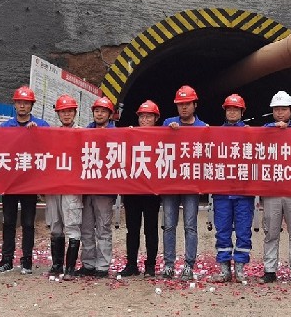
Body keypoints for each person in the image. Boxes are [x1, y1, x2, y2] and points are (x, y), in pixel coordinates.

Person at [0, 86, 49, 274]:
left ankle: (27, 260)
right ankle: (6, 259)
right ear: (15, 104)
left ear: (31, 105)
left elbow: (49, 147)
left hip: (30, 183)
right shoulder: (5, 127)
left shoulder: (41, 125)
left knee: (28, 223)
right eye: (19, 102)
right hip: (10, 182)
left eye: (26, 103)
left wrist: (37, 134)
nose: (22, 106)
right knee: (8, 222)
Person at [161, 85, 208, 281]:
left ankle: (189, 265)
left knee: (190, 226)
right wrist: (168, 132)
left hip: (191, 184)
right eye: (180, 104)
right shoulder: (168, 123)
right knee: (169, 225)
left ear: (195, 105)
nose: (184, 107)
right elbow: (155, 143)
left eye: (187, 104)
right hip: (171, 183)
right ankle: (169, 265)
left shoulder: (203, 128)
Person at [261, 90, 291, 284]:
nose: (280, 113)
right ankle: (269, 270)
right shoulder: (264, 131)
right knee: (271, 232)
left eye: (283, 109)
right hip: (272, 190)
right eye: (276, 109)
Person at [211, 94, 253, 283]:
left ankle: (240, 268)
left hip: (244, 192)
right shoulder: (216, 134)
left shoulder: (251, 133)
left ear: (242, 112)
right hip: (222, 192)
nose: (232, 112)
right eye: (229, 109)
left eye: (236, 109)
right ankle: (224, 269)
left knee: (243, 231)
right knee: (222, 231)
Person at [120, 100, 162, 277]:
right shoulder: (130, 135)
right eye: (142, 117)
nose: (144, 120)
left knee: (151, 229)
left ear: (156, 118)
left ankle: (150, 265)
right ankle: (131, 264)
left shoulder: (163, 136)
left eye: (148, 117)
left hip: (152, 191)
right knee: (132, 229)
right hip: (132, 190)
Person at [45, 94, 84, 280]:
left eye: (69, 111)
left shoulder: (82, 134)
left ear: (75, 113)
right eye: (63, 112)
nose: (66, 115)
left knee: (72, 225)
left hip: (72, 188)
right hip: (54, 187)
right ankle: (56, 265)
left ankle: (70, 268)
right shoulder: (51, 135)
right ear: (58, 114)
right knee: (55, 225)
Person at [79, 96, 117, 278]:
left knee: (103, 228)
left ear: (110, 115)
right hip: (86, 189)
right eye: (97, 111)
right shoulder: (85, 131)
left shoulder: (118, 134)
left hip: (105, 191)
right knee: (86, 228)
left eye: (103, 111)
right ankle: (88, 264)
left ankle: (102, 266)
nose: (99, 114)